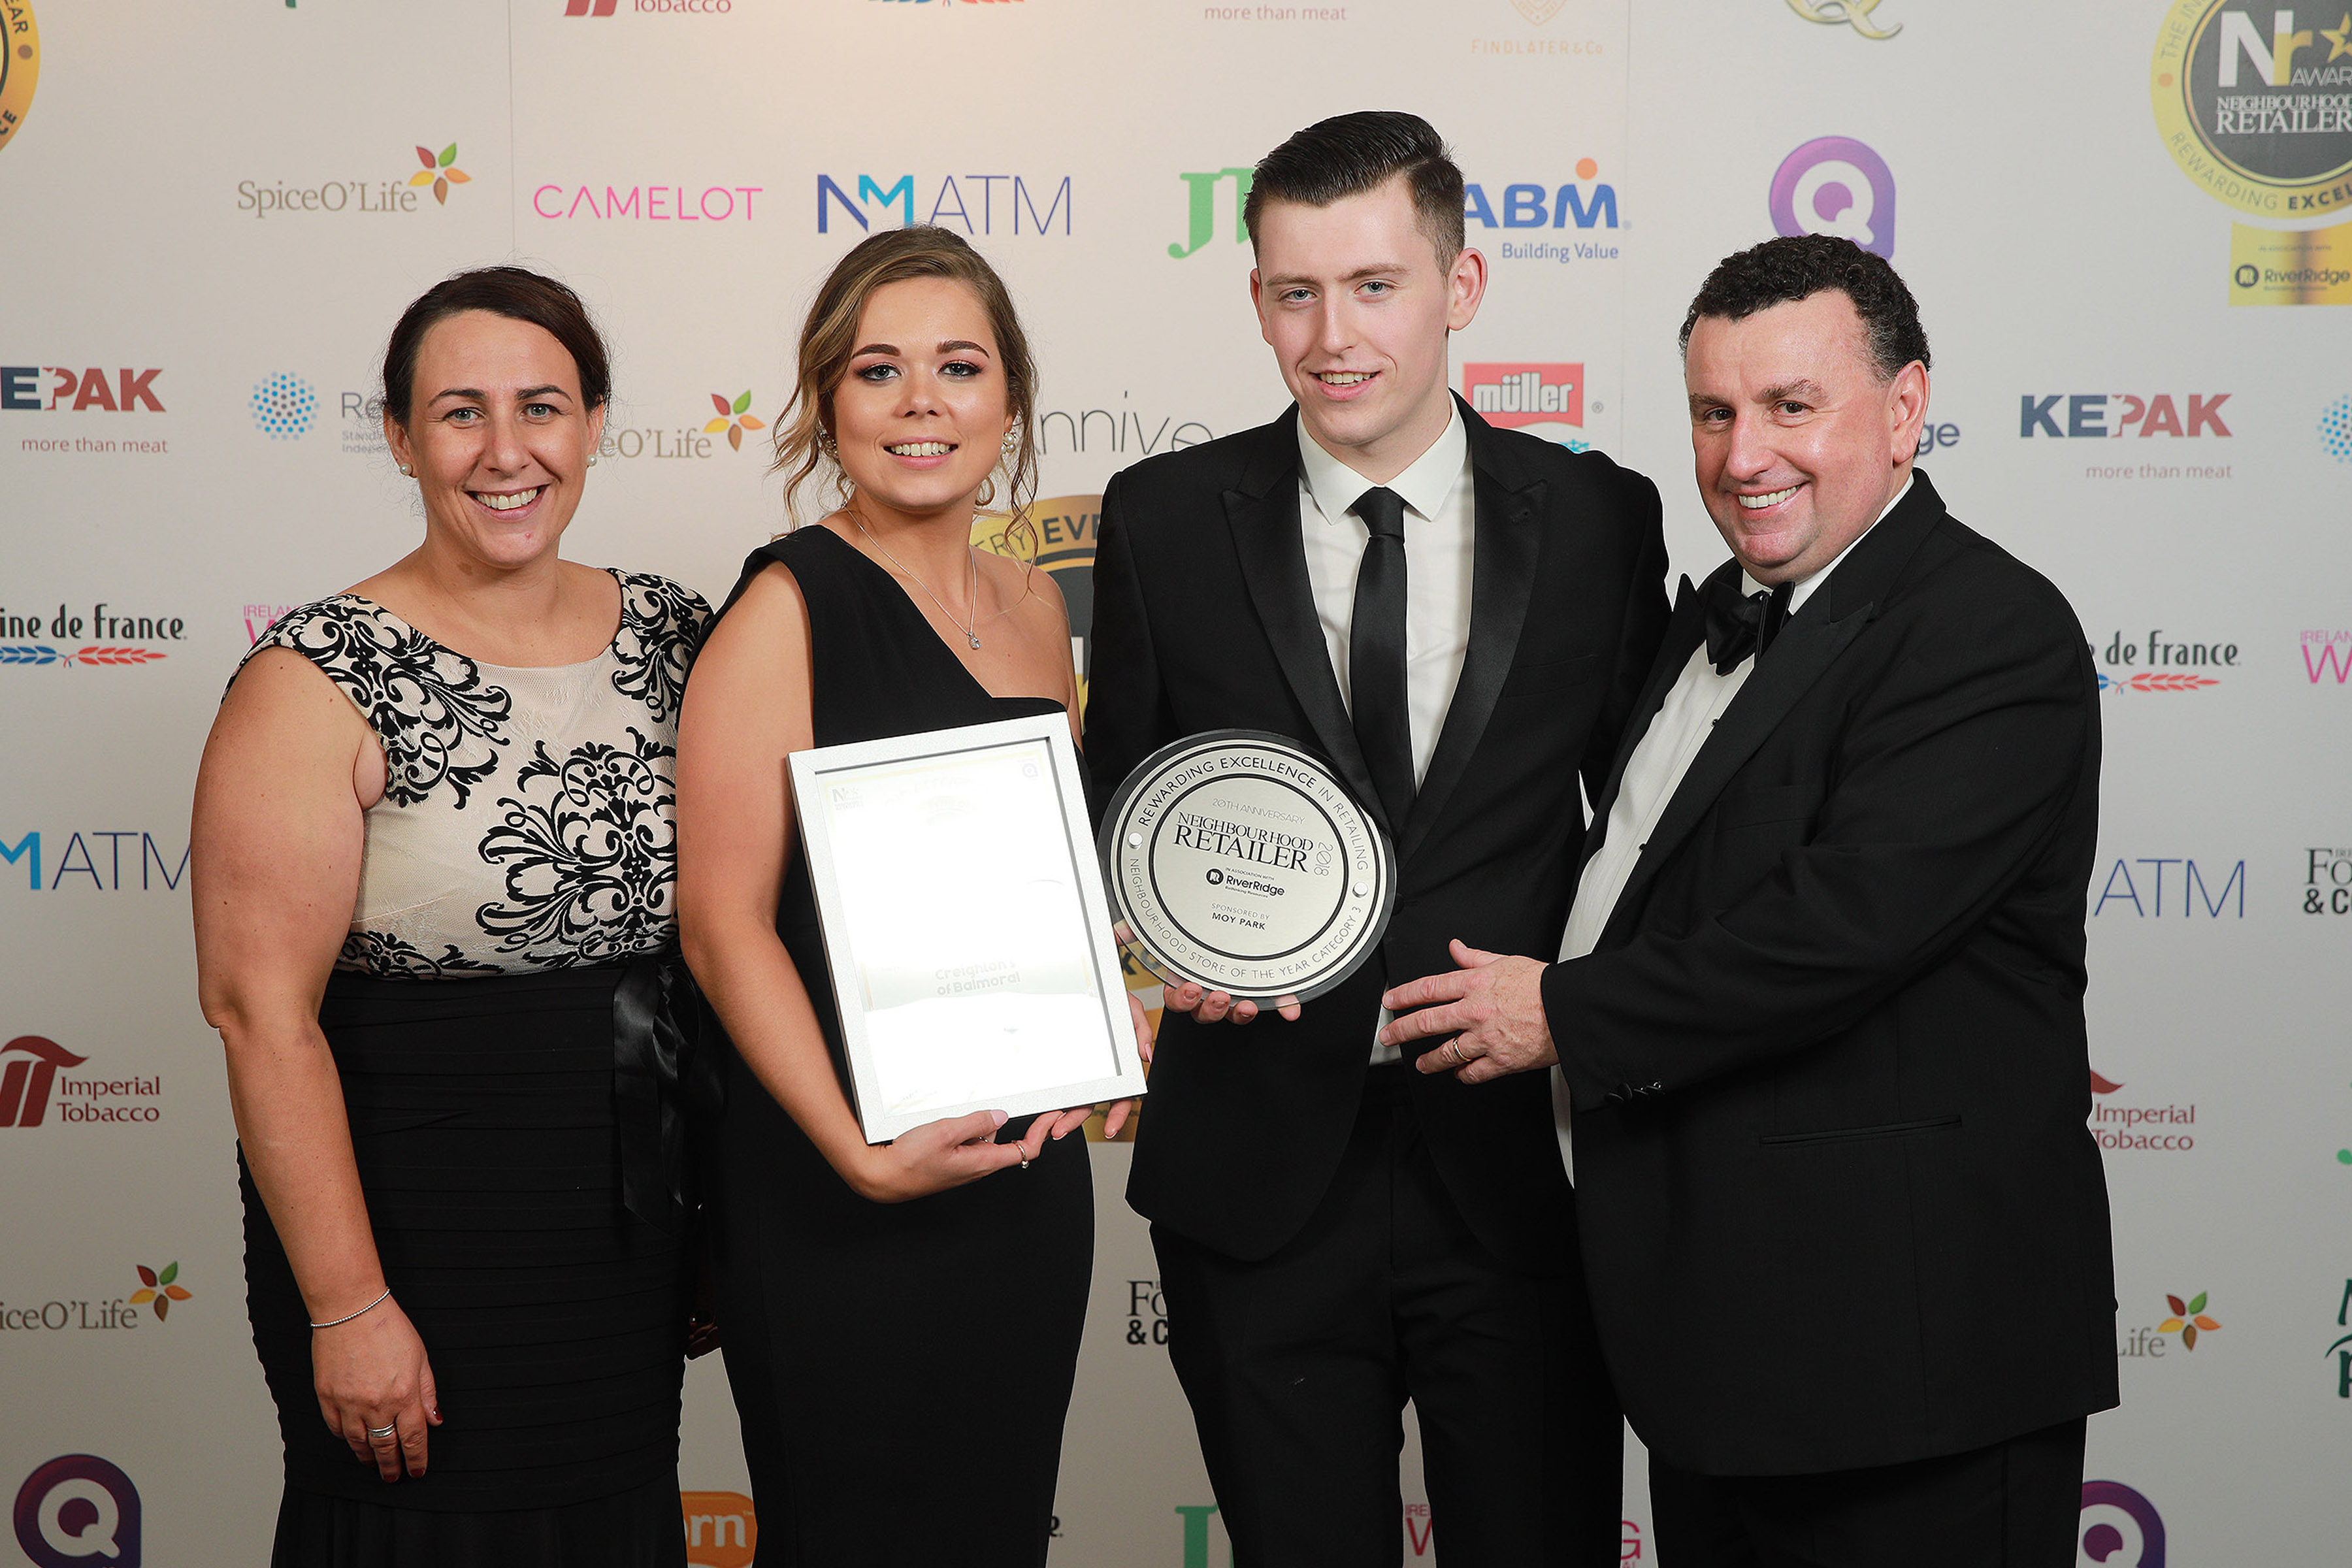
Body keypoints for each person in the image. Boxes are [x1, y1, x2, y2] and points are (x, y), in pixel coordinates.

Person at [1381, 235, 2118, 1567]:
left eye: (1792, 406)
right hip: (1719, 1357)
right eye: (1714, 413)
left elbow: (1838, 932)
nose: (1743, 455)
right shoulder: (1720, 609)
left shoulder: (1987, 629)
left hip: (1906, 1365)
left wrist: (1560, 1014)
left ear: (1904, 408)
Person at [1083, 111, 1669, 1564]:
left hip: (1523, 1172)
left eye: (1374, 287)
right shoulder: (1163, 518)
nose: (1333, 336)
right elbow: (1119, 806)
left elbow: (1652, 833)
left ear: (1460, 287)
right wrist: (1161, 955)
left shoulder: (1600, 517)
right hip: (1258, 1166)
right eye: (1296, 292)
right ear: (1258, 301)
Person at [192, 266, 711, 1566]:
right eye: (460, 412)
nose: (505, 451)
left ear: (594, 423)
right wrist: (347, 1305)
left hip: (624, 1243)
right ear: (400, 437)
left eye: (542, 406)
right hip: (408, 1240)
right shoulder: (316, 675)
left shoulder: (678, 633)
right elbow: (260, 1016)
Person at [674, 224, 1142, 1565]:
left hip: (1020, 1175)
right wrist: (859, 1155)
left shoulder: (1037, 608)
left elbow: (1032, 878)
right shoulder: (786, 608)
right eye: (879, 370)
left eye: (959, 366)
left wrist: (1103, 1012)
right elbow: (722, 924)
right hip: (837, 1185)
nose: (921, 402)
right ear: (828, 402)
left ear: (1012, 397)